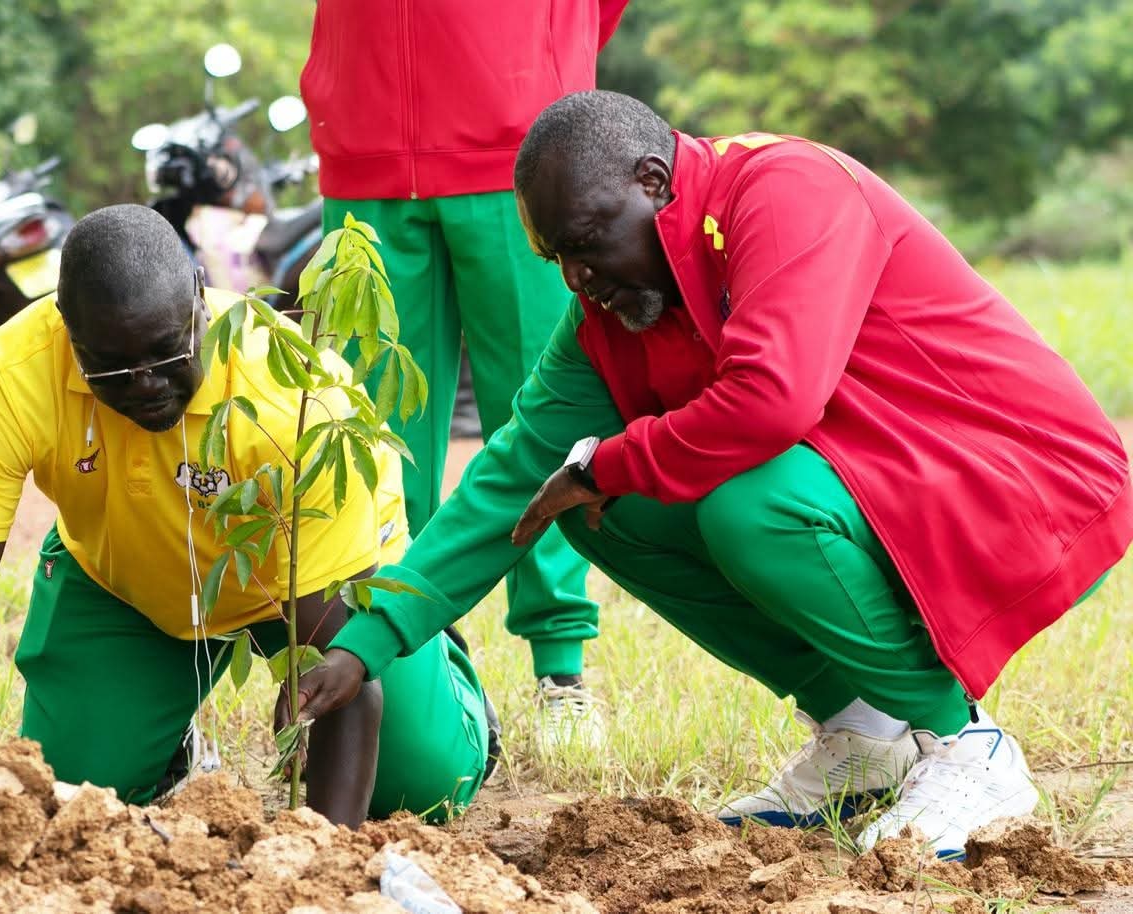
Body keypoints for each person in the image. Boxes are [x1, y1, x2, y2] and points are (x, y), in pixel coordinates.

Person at [281, 92, 1133, 857]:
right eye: (558, 261)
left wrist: (608, 459)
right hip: (889, 487)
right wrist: (368, 642)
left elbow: (771, 401)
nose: (577, 279)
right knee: (583, 505)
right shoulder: (608, 316)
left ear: (655, 181)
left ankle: (967, 750)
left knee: (742, 502)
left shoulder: (786, 190)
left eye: (585, 244)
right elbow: (512, 476)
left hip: (1021, 480)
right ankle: (863, 733)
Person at [0, 204, 491, 828]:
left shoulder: (289, 397)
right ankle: (172, 747)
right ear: (67, 329)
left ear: (200, 296)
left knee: (422, 788)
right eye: (110, 366)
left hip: (308, 580)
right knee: (72, 800)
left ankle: (454, 691)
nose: (145, 383)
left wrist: (322, 855)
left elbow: (347, 674)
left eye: (169, 352)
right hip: (130, 584)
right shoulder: (7, 378)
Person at [298, 0, 629, 743]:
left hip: (519, 147)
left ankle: (560, 667)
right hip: (363, 143)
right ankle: (413, 662)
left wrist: (541, 57)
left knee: (546, 416)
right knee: (366, 429)